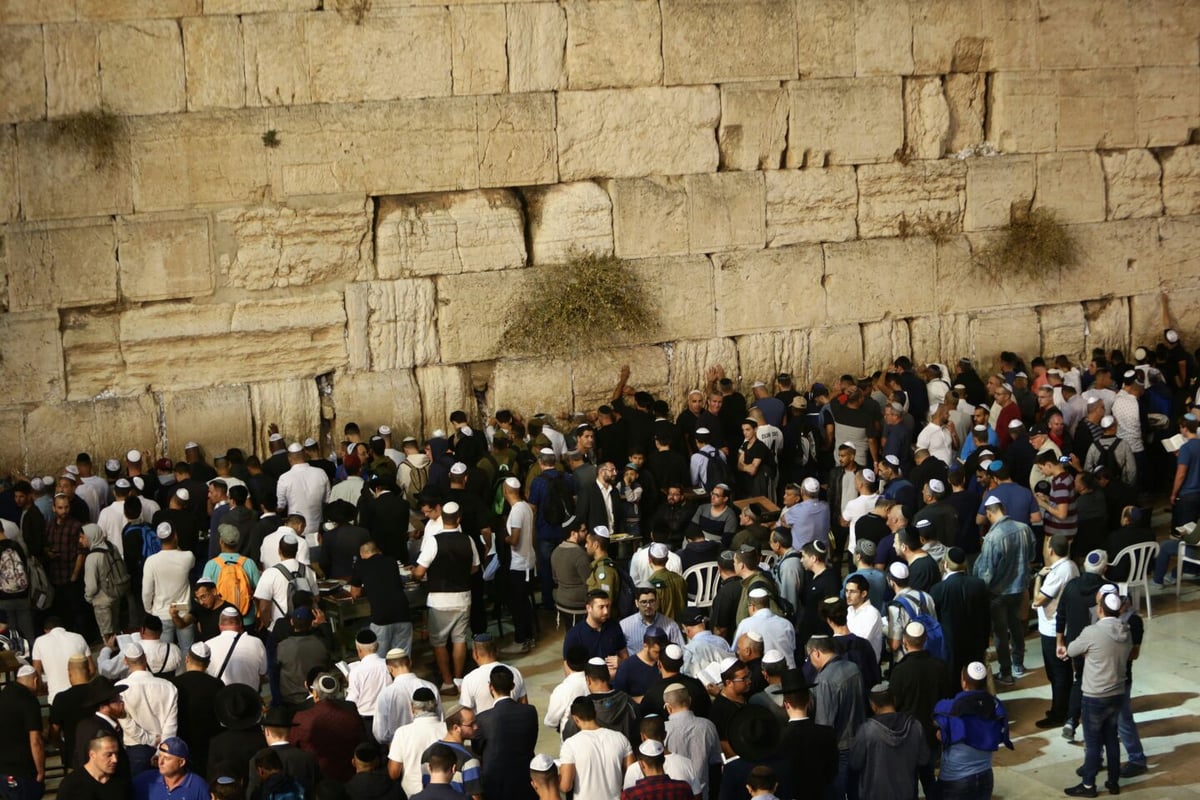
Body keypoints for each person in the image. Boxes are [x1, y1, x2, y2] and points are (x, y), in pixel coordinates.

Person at [1064, 591, 1132, 797]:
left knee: (1093, 743)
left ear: (1100, 610)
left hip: (1095, 695)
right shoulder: (1126, 630)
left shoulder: (1092, 632)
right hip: (1117, 692)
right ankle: (1113, 782)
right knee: (1111, 737)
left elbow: (1072, 649)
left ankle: (1088, 785)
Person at [411, 502, 479, 694]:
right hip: (463, 597)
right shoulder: (468, 540)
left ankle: (447, 682)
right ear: (459, 519)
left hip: (439, 600)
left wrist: (415, 575)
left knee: (439, 642)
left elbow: (420, 570)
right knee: (459, 639)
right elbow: (474, 568)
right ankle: (458, 680)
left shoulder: (434, 541)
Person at [974, 495, 1036, 686]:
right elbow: (1031, 556)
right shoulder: (1024, 529)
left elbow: (986, 572)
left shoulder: (993, 538)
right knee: (1016, 625)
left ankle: (1006, 672)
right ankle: (1018, 663)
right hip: (1019, 588)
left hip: (998, 593)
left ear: (990, 513)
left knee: (1001, 632)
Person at [934, 662, 1014, 800]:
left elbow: (941, 733)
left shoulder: (947, 707)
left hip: (955, 779)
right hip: (985, 776)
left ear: (964, 683)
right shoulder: (996, 706)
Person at [848, 682, 930, 800]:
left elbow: (855, 764)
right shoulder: (915, 727)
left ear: (873, 705)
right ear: (894, 700)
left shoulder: (867, 731)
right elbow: (924, 760)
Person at [473, 665, 539, 800]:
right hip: (524, 777)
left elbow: (477, 749)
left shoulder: (483, 719)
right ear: (513, 685)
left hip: (496, 784)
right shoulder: (530, 711)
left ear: (490, 687)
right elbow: (531, 741)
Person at [1034, 534, 1079, 729]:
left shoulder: (1057, 573)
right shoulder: (1072, 566)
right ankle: (1067, 708)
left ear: (1050, 550)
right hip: (1063, 625)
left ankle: (1059, 713)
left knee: (1058, 674)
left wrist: (1038, 578)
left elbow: (1038, 600)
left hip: (1053, 629)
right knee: (1063, 673)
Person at [290, 673, 364, 783]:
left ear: (315, 694)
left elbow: (293, 748)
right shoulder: (351, 714)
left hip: (317, 779)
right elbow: (361, 740)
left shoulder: (302, 718)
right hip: (348, 777)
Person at [558, 696, 635, 800]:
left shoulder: (570, 745)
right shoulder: (620, 738)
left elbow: (565, 786)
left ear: (575, 718)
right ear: (595, 713)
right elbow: (632, 776)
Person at [349, 540, 414, 657]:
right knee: (401, 656)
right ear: (377, 551)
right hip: (403, 613)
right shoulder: (391, 561)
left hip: (381, 616)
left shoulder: (360, 565)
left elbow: (355, 593)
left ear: (362, 554)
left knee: (379, 656)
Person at [169, 642, 224, 779]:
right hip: (209, 741)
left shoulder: (175, 683)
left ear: (187, 659)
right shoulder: (217, 684)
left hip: (182, 739)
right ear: (208, 663)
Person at [0, 664, 44, 800]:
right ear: (36, 680)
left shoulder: (3, 695)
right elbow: (35, 740)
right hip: (24, 771)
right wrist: (41, 770)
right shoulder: (29, 701)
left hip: (2, 770)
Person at [459, 634, 527, 712]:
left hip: (484, 723)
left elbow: (466, 716)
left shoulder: (469, 680)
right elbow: (524, 706)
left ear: (475, 653)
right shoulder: (515, 672)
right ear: (496, 651)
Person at [131, 737, 210, 800]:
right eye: (160, 756)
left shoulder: (199, 787)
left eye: (167, 758)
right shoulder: (145, 780)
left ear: (181, 762)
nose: (160, 762)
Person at [57, 733, 128, 800]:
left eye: (116, 754)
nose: (115, 760)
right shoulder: (72, 784)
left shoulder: (120, 780)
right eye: (108, 755)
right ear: (92, 755)